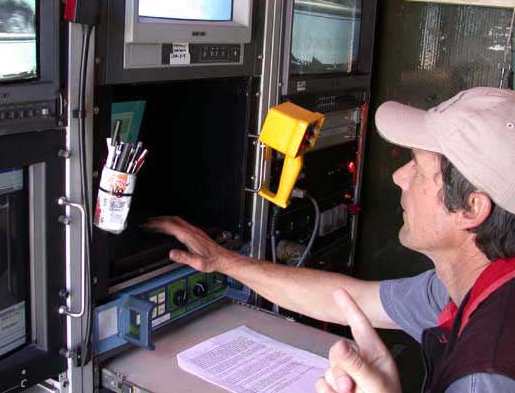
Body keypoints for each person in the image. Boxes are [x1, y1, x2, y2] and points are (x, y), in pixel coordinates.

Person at [143, 87, 515, 393]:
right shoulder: (471, 287)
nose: (400, 176)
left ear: (471, 208)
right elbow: (348, 300)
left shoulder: (486, 375)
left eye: (417, 166)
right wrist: (223, 261)